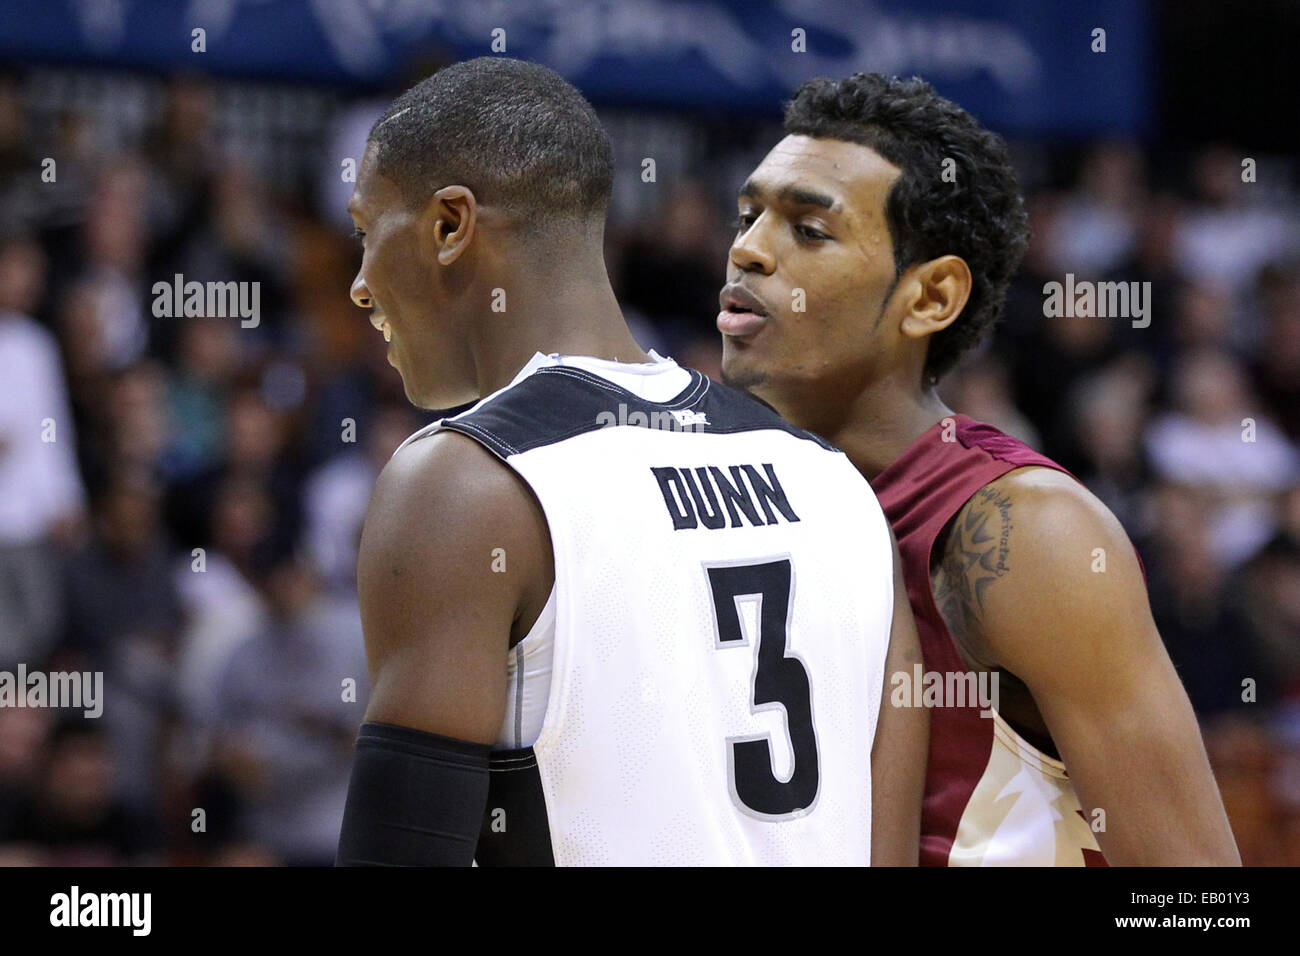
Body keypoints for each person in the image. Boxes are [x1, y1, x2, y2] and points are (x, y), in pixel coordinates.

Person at [334, 58, 925, 866]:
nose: (361, 286)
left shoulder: (467, 485)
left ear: (449, 226)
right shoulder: (833, 485)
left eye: (368, 235)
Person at [717, 72, 1240, 866]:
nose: (749, 249)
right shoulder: (715, 492)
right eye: (749, 214)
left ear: (930, 297)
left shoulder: (1028, 534)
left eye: (808, 230)